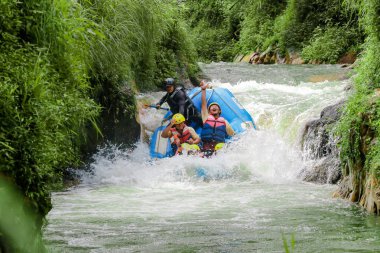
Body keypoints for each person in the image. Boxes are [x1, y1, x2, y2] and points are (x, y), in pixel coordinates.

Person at [199, 81, 234, 156]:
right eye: (211, 106)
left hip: (218, 149)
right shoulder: (206, 117)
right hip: (205, 147)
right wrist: (203, 90)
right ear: (209, 111)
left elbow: (233, 134)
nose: (214, 106)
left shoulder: (224, 122)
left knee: (220, 147)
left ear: (219, 110)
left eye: (216, 106)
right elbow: (204, 104)